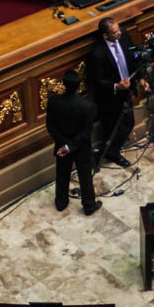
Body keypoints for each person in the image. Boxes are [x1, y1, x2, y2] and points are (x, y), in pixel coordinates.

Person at [88, 17, 148, 169]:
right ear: (105, 35)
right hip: (110, 97)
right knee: (113, 128)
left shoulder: (125, 36)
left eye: (118, 29)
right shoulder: (98, 53)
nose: (119, 34)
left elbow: (132, 60)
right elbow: (98, 81)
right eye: (115, 32)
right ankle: (105, 153)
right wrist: (116, 86)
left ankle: (108, 152)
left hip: (127, 91)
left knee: (128, 124)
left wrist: (140, 79)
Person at [46, 69, 99, 216]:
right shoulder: (87, 106)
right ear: (78, 86)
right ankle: (89, 205)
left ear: (64, 84)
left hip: (61, 146)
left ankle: (61, 202)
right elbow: (86, 132)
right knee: (85, 176)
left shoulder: (53, 102)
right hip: (80, 147)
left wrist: (65, 144)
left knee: (62, 174)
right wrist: (71, 145)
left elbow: (51, 126)